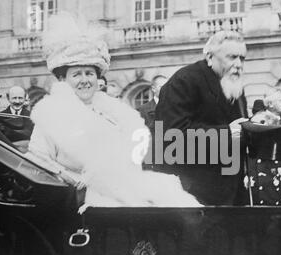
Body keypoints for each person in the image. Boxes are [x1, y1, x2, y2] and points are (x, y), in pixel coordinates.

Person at [27, 12, 199, 208]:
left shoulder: (113, 114)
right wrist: (71, 179)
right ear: (63, 79)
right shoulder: (51, 117)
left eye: (89, 73)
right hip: (75, 201)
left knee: (173, 199)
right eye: (76, 74)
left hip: (121, 191)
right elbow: (38, 162)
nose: (85, 80)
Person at [155, 31, 249, 206]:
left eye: (242, 58)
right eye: (232, 57)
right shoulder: (184, 80)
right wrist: (229, 133)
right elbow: (172, 137)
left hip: (230, 193)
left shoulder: (235, 86)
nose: (238, 64)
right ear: (209, 57)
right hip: (192, 195)